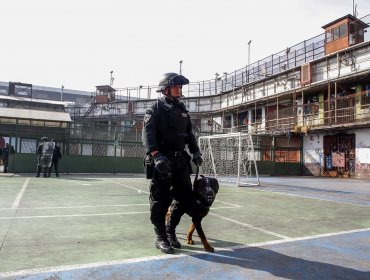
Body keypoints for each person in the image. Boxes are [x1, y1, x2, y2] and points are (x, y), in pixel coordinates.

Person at [142, 72, 203, 254]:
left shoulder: (183, 110)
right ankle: (161, 236)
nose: (179, 89)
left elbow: (190, 134)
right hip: (162, 160)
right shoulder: (155, 109)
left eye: (180, 87)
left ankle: (170, 231)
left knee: (185, 197)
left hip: (180, 160)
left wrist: (195, 151)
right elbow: (148, 134)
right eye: (176, 86)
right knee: (160, 200)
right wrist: (155, 154)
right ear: (166, 88)